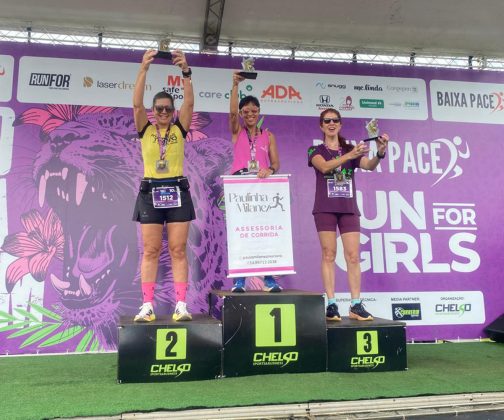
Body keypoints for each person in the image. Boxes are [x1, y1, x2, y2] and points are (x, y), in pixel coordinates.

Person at [132, 49, 195, 322]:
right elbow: (136, 105)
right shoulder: (145, 129)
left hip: (177, 190)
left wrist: (186, 72)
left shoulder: (179, 129)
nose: (164, 112)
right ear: (153, 111)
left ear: (173, 111)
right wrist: (143, 69)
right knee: (151, 250)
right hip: (150, 191)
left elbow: (189, 103)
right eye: (159, 108)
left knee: (178, 250)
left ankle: (181, 305)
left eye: (168, 108)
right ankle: (147, 306)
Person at [308, 108, 389, 321]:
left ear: (340, 124)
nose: (331, 123)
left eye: (335, 120)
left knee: (353, 256)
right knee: (329, 255)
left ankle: (355, 305)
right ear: (321, 125)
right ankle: (332, 304)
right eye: (327, 121)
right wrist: (349, 155)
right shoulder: (315, 150)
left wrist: (380, 153)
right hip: (325, 207)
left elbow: (369, 166)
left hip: (348, 208)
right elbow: (324, 167)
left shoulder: (350, 149)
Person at [228, 71, 282, 293]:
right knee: (241, 234)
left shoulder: (268, 135)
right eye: (246, 111)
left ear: (259, 111)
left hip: (262, 189)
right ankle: (239, 281)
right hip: (240, 188)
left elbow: (276, 163)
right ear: (241, 114)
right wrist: (235, 85)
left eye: (254, 111)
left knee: (263, 234)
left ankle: (268, 279)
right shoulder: (237, 131)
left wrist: (269, 169)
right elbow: (231, 113)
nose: (250, 114)